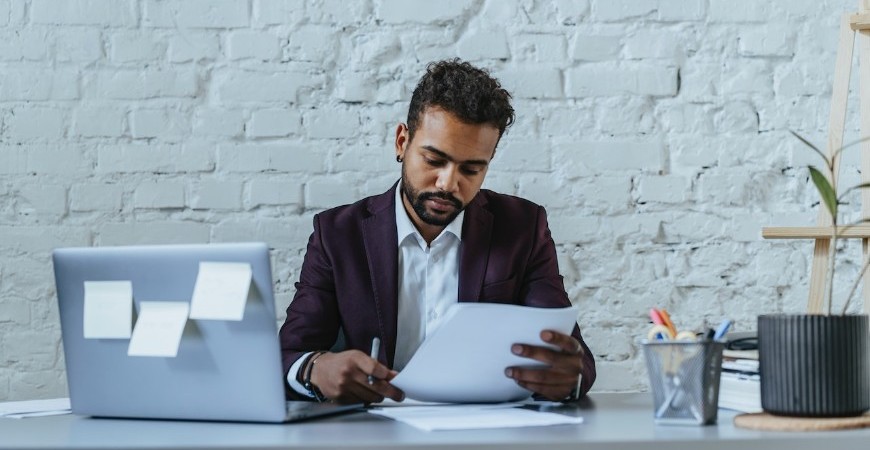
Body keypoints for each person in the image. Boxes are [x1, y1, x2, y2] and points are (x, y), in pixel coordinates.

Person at [279, 59, 595, 404]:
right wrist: (315, 369)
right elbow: (289, 354)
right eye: (434, 160)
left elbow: (574, 359)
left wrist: (568, 376)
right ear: (402, 142)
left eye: (471, 169)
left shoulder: (523, 227)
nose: (448, 183)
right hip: (373, 431)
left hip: (487, 431)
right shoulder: (337, 234)